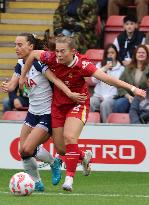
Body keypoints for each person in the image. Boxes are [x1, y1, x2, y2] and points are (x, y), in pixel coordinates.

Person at [19, 35, 146, 192]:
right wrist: (23, 76)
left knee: (70, 137)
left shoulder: (83, 65)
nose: (58, 55)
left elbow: (108, 79)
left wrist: (133, 89)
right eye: (57, 51)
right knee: (61, 149)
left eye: (62, 51)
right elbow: (32, 54)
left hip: (77, 103)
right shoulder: (51, 57)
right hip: (58, 106)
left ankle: (69, 179)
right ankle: (83, 156)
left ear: (72, 51)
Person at [1, 33, 85, 192]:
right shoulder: (20, 64)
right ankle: (36, 182)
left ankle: (54, 163)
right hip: (32, 112)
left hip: (47, 113)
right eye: (15, 45)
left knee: (30, 147)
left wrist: (69, 93)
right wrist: (7, 86)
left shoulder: (39, 63)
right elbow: (12, 86)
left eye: (20, 45)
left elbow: (55, 80)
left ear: (31, 47)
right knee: (23, 151)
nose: (16, 48)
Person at [90, 44, 125, 122]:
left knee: (105, 104)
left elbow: (120, 86)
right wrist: (103, 69)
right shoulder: (100, 65)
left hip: (112, 97)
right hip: (98, 96)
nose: (110, 55)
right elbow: (93, 80)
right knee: (90, 101)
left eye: (112, 53)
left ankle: (105, 127)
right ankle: (91, 126)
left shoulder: (121, 68)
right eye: (108, 53)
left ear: (116, 54)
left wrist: (107, 97)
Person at [113, 44, 149, 113]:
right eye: (139, 52)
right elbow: (120, 84)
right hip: (129, 97)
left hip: (145, 98)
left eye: (143, 53)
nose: (141, 54)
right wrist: (127, 96)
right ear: (135, 54)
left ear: (147, 55)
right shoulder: (128, 68)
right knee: (119, 104)